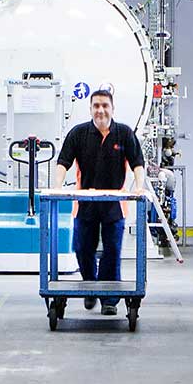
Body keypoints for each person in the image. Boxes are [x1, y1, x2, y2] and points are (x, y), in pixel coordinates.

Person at [55, 88, 146, 316]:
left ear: (112, 108)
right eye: (96, 106)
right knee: (82, 248)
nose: (100, 110)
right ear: (90, 109)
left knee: (112, 251)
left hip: (115, 205)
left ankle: (109, 299)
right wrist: (57, 186)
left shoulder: (124, 133)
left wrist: (139, 186)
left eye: (105, 105)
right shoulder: (78, 133)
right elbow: (63, 161)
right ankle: (90, 286)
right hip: (85, 203)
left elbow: (137, 163)